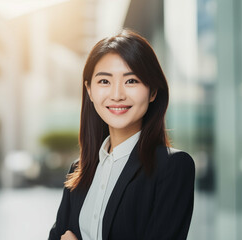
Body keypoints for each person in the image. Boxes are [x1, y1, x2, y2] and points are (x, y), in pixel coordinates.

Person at [48, 29, 195, 240]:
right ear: (89, 90)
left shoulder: (173, 167)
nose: (117, 95)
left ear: (153, 91)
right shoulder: (80, 170)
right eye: (104, 82)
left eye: (131, 81)